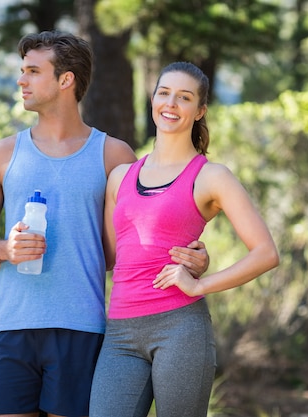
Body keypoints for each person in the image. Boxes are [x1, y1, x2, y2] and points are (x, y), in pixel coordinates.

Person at [0, 32, 210, 417]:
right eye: (21, 70)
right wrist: (3, 250)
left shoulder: (115, 156)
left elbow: (127, 249)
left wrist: (186, 254)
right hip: (12, 328)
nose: (21, 80)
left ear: (66, 80)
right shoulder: (0, 155)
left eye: (32, 71)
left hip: (83, 330)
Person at [89, 61, 280, 417]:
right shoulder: (120, 177)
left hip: (179, 327)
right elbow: (110, 257)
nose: (171, 104)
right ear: (152, 99)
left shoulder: (211, 176)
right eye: (164, 93)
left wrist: (200, 284)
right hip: (120, 333)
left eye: (184, 97)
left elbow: (266, 253)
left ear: (200, 110)